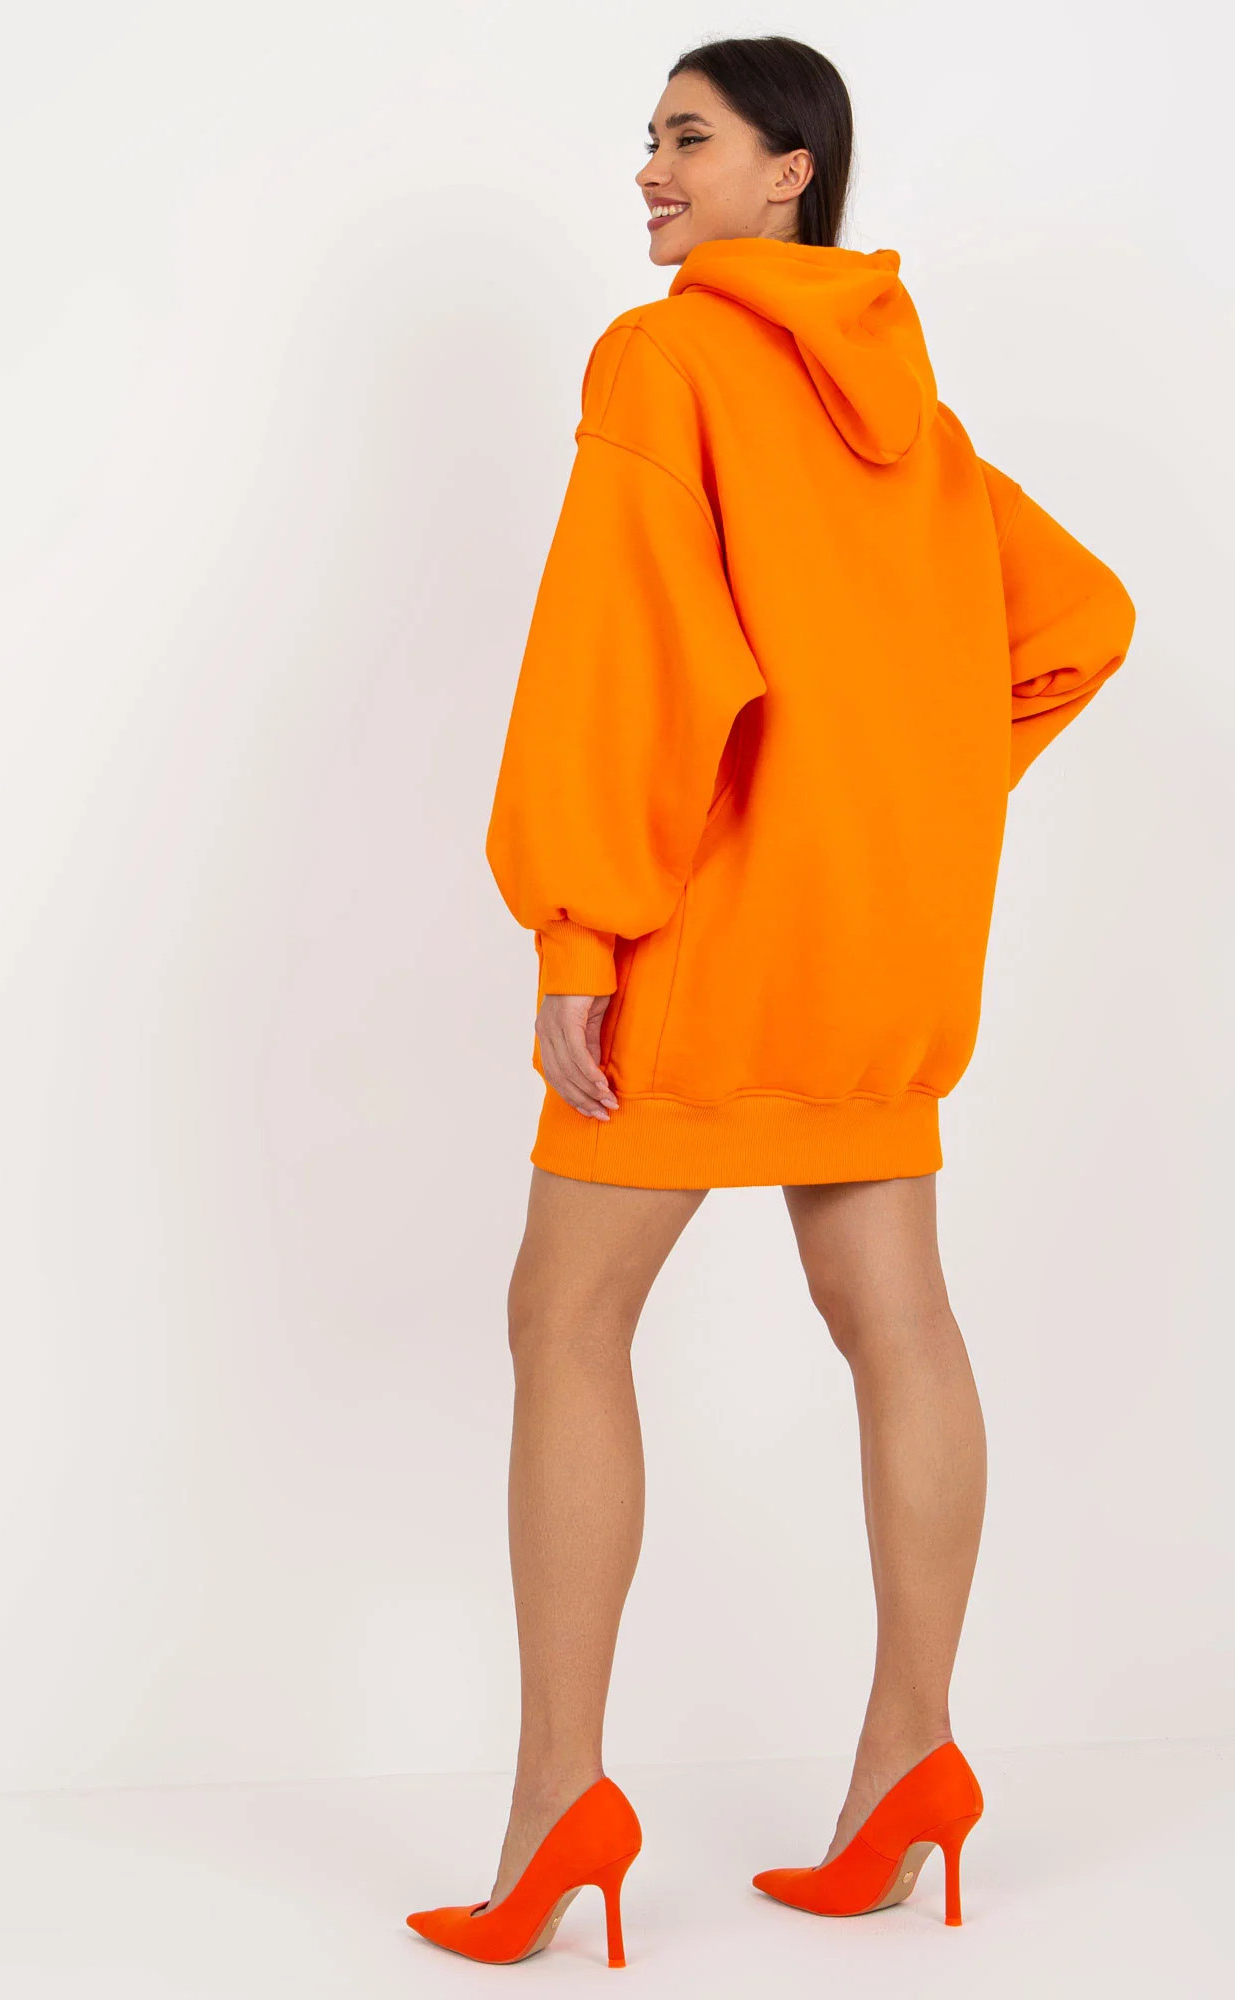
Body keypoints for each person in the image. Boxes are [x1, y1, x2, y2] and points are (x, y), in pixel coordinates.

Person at [405, 34, 1135, 1968]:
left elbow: (620, 652)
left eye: (689, 137)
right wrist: (904, 798)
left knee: (565, 1316)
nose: (650, 169)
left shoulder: (668, 361)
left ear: (790, 167)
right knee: (897, 1319)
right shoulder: (911, 410)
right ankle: (913, 1756)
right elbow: (1079, 623)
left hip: (717, 938)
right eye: (648, 139)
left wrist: (579, 934)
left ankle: (555, 1806)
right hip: (881, 944)